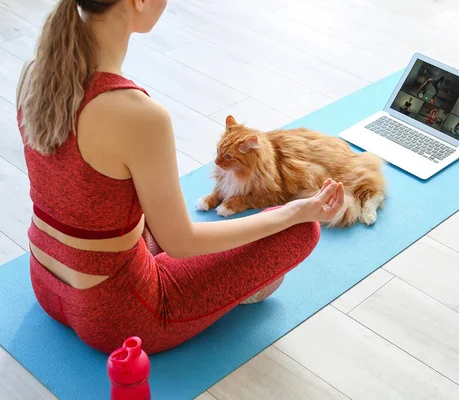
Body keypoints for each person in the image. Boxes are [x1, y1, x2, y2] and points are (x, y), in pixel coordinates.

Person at [15, 0, 345, 354]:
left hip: (46, 283)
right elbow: (181, 242)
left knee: (125, 213)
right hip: (116, 317)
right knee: (298, 230)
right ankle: (244, 283)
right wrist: (295, 211)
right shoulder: (138, 114)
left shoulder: (35, 71)